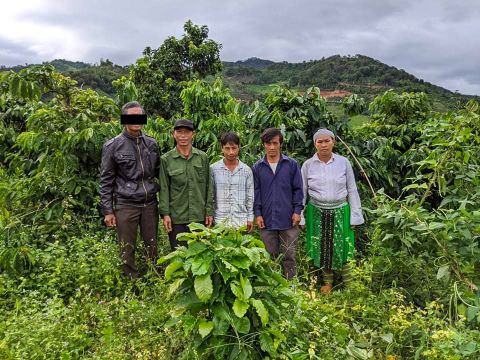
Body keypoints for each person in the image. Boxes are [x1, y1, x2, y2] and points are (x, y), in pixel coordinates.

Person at [99, 101, 160, 279]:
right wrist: (108, 210)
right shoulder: (113, 145)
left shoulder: (151, 144)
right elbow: (106, 180)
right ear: (124, 119)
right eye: (131, 116)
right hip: (126, 204)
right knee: (127, 248)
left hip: (149, 203)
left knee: (152, 245)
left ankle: (153, 279)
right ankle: (132, 283)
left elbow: (159, 173)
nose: (136, 120)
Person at [301, 128, 364, 293]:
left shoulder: (343, 162)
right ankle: (327, 283)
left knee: (344, 246)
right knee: (323, 247)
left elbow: (352, 189)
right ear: (315, 144)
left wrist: (355, 217)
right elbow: (302, 191)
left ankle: (349, 283)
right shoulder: (308, 165)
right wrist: (300, 215)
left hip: (341, 212)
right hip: (316, 212)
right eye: (319, 141)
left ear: (333, 142)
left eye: (326, 141)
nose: (323, 145)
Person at [252, 128, 303, 279]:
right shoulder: (258, 167)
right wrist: (258, 214)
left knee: (289, 255)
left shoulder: (291, 165)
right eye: (269, 143)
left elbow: (298, 189)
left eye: (275, 143)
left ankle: (291, 286)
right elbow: (256, 192)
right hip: (266, 219)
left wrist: (297, 210)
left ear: (280, 144)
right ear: (264, 145)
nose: (272, 147)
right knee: (270, 256)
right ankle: (272, 288)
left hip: (288, 218)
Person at [159, 119, 214, 250]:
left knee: (200, 255)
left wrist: (209, 211)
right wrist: (165, 214)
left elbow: (208, 186)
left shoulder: (202, 157)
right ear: (174, 134)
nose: (183, 136)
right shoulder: (166, 159)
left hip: (199, 216)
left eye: (186, 132)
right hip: (177, 217)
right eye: (179, 132)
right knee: (179, 255)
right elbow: (164, 188)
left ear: (193, 134)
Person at [210, 132, 254, 231]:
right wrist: (210, 216)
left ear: (239, 147)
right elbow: (211, 196)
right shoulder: (213, 169)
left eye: (234, 148)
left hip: (241, 223)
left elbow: (250, 197)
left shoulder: (246, 170)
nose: (231, 152)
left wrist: (250, 218)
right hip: (220, 223)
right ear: (222, 148)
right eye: (227, 148)